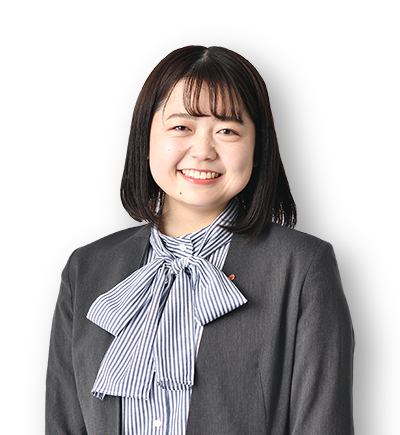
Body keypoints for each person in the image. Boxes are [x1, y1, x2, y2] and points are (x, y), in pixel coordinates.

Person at [45, 45, 355, 434]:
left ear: (258, 148)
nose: (203, 151)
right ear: (145, 138)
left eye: (227, 130)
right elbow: (63, 421)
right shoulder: (86, 267)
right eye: (181, 127)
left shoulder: (302, 266)